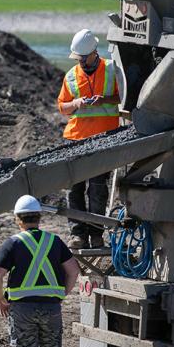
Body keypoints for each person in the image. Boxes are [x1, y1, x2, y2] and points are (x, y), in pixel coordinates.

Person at [0, 195, 81, 347]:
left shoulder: (12, 243)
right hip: (51, 308)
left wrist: (0, 299)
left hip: (22, 310)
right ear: (39, 218)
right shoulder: (55, 242)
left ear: (17, 219)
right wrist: (61, 294)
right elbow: (74, 271)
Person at [57, 28, 121, 249]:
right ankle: (78, 234)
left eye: (84, 58)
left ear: (94, 52)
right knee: (74, 189)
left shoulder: (112, 70)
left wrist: (104, 99)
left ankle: (95, 235)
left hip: (104, 139)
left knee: (97, 189)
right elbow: (62, 107)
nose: (81, 62)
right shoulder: (72, 75)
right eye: (78, 59)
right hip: (75, 139)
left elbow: (124, 97)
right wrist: (75, 104)